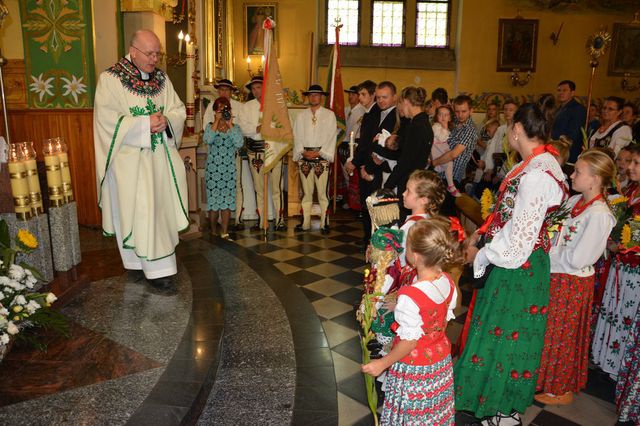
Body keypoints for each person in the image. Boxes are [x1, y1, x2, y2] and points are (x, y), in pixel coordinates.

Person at [455, 103, 567, 424]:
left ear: (517, 129)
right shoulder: (539, 163)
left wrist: (484, 254)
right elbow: (512, 218)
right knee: (504, 336)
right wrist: (483, 232)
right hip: (522, 262)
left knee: (508, 337)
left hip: (518, 267)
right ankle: (498, 404)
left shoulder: (536, 175)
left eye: (510, 127)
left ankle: (505, 410)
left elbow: (520, 241)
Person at [94, 29, 188, 291]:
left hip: (159, 160)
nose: (155, 58)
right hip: (130, 163)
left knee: (157, 213)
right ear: (133, 51)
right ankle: (137, 264)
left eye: (158, 53)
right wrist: (144, 124)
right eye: (150, 53)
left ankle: (159, 269)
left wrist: (166, 121)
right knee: (137, 214)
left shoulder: (162, 79)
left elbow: (177, 109)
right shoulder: (110, 80)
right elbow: (107, 120)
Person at [362, 217, 460, 426]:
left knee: (411, 411)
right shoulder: (447, 281)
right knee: (431, 409)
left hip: (414, 367)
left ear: (414, 256)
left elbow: (410, 341)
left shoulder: (410, 295)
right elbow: (444, 310)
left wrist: (382, 363)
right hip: (439, 361)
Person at [536, 150, 616, 406]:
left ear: (594, 179)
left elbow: (579, 258)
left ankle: (558, 388)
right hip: (557, 274)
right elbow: (554, 230)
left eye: (578, 172)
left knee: (563, 334)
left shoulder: (600, 215)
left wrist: (546, 256)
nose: (572, 175)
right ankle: (545, 379)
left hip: (571, 280)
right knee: (550, 331)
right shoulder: (574, 202)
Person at [592, 144, 640, 380]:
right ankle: (608, 359)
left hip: (634, 270)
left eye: (635, 164)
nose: (630, 167)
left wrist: (624, 245)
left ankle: (621, 364)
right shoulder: (631, 191)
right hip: (620, 264)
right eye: (630, 162)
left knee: (626, 316)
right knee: (614, 311)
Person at [237, 75, 287, 231]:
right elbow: (243, 127)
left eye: (259, 87)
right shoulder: (247, 107)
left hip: (273, 150)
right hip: (255, 151)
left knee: (276, 187)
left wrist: (269, 129)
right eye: (253, 88)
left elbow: (283, 127)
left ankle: (280, 219)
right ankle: (262, 220)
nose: (256, 91)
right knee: (259, 188)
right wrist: (257, 128)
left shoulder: (276, 106)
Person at [379, 86, 432, 221]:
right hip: (414, 179)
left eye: (401, 103)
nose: (401, 108)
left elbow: (405, 161)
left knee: (405, 222)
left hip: (410, 182)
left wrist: (387, 186)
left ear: (407, 101)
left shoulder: (417, 126)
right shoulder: (422, 122)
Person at [292, 84, 337, 234]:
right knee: (306, 192)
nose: (314, 97)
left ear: (321, 97)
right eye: (311, 95)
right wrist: (302, 152)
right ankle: (305, 222)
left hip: (321, 158)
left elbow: (332, 135)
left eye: (316, 95)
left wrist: (319, 153)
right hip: (305, 158)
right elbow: (296, 135)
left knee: (323, 193)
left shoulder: (329, 115)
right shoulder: (301, 116)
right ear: (308, 97)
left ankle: (324, 222)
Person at [203, 79, 246, 230]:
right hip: (213, 170)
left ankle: (225, 231)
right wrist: (216, 121)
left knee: (227, 203)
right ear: (215, 111)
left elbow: (239, 143)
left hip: (228, 170)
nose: (223, 112)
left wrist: (229, 123)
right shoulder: (210, 126)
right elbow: (208, 139)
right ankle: (214, 230)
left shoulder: (234, 127)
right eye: (220, 109)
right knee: (214, 204)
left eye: (225, 109)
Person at [432, 95, 478, 215]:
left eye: (464, 111)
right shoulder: (455, 123)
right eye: (457, 111)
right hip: (440, 173)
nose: (460, 115)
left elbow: (454, 154)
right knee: (436, 211)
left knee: (446, 214)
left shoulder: (470, 129)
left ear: (471, 110)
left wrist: (435, 162)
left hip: (452, 177)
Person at [551, 80, 587, 163]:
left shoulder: (578, 109)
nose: (561, 93)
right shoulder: (558, 108)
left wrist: (555, 140)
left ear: (572, 93)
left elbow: (574, 133)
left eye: (564, 90)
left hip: (568, 151)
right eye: (559, 90)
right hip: (556, 148)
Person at [431, 104, 460, 197]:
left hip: (442, 153)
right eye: (440, 114)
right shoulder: (436, 126)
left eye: (446, 115)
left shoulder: (449, 129)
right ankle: (450, 186)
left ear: (450, 118)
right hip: (435, 154)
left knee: (449, 163)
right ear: (436, 116)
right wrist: (445, 126)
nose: (443, 117)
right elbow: (443, 137)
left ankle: (451, 185)